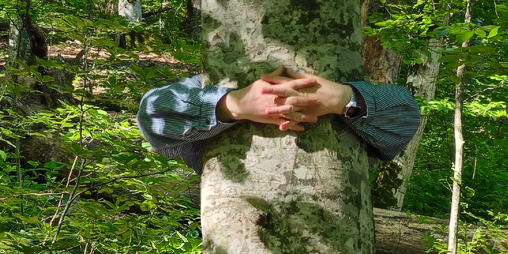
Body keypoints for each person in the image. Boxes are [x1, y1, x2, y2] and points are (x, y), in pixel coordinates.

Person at [137, 65, 420, 174]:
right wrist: (233, 104)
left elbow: (406, 118)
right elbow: (151, 117)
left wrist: (343, 99)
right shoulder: (212, 82)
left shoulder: (341, 76)